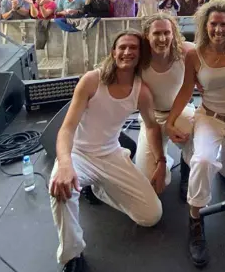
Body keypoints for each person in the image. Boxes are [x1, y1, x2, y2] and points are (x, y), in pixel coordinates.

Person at [49, 30, 166, 272]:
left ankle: (98, 189)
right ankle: (72, 255)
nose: (127, 52)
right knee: (60, 190)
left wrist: (161, 162)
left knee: (151, 215)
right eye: (122, 47)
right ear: (113, 52)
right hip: (79, 154)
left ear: (140, 55)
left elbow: (153, 127)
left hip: (111, 153)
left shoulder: (140, 91)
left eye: (133, 48)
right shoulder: (92, 80)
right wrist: (64, 164)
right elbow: (66, 129)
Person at [166, 0, 225, 268]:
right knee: (202, 160)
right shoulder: (195, 54)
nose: (218, 29)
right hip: (209, 117)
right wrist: (170, 121)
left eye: (223, 24)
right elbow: (185, 90)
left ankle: (206, 166)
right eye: (213, 24)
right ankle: (195, 219)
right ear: (205, 24)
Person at [135, 13, 195, 200]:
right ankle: (164, 160)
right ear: (147, 36)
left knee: (197, 138)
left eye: (167, 33)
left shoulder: (185, 51)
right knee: (149, 182)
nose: (162, 39)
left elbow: (214, 52)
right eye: (157, 34)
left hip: (180, 113)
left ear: (173, 33)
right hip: (150, 118)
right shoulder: (139, 61)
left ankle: (187, 169)